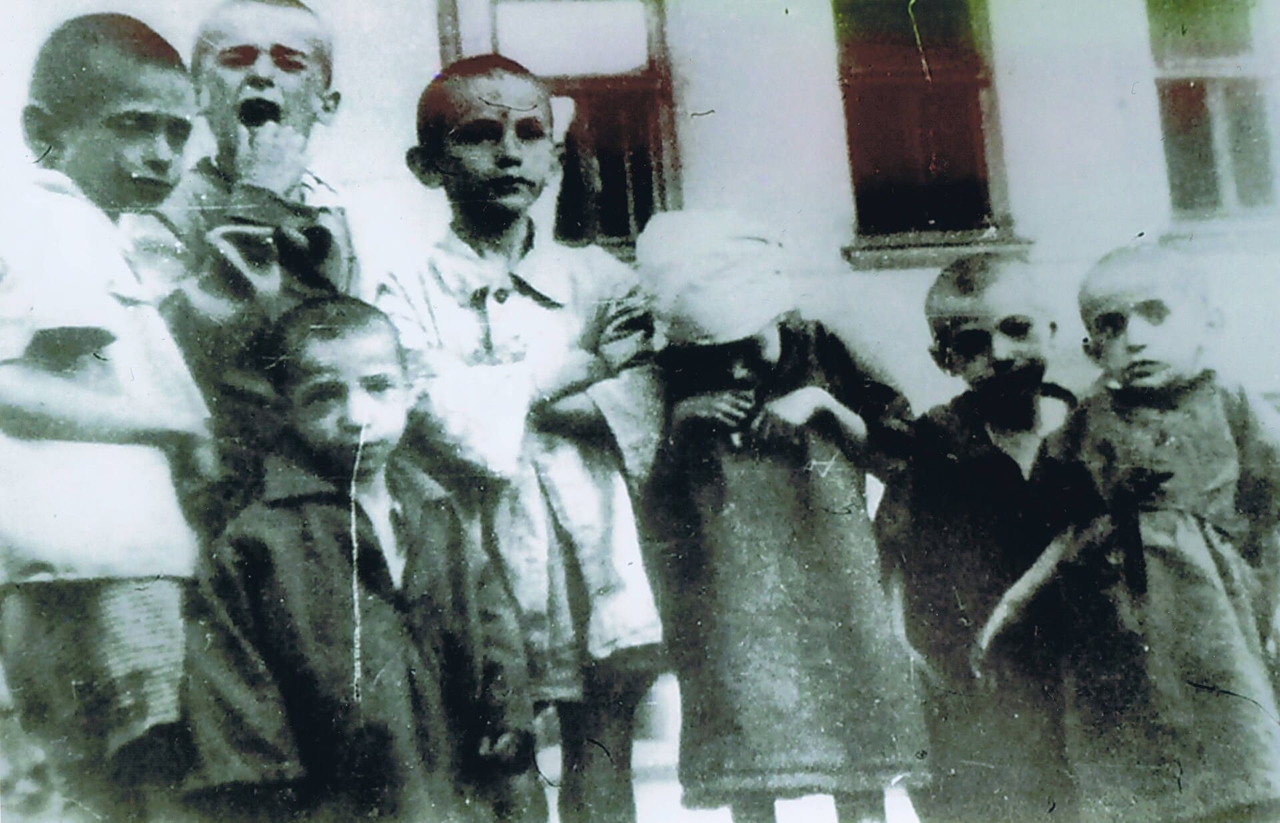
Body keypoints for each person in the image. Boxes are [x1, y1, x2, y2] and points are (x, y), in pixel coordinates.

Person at [363, 54, 665, 823]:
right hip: (477, 549)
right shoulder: (406, 289)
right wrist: (577, 365)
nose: (509, 152)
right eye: (478, 135)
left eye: (530, 133)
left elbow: (642, 397)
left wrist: (542, 397)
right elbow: (433, 409)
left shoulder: (600, 280)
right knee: (497, 750)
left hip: (594, 545)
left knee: (603, 746)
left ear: (554, 156)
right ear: (428, 166)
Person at [182, 296, 530, 822]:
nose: (357, 416)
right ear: (283, 409)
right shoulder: (258, 540)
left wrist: (508, 714)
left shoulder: (435, 510)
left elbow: (493, 622)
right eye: (323, 396)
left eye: (379, 387)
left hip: (458, 790)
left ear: (410, 391)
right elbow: (236, 700)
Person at [637, 210, 926, 823]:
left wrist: (823, 406)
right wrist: (681, 424)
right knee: (750, 745)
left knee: (857, 737)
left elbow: (899, 456)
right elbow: (654, 504)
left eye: (750, 345)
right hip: (735, 598)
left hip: (837, 586)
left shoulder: (826, 350)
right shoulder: (675, 376)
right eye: (719, 352)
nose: (739, 369)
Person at [978, 243, 1280, 823]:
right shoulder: (1088, 421)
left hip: (1211, 623)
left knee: (1238, 761)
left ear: (1209, 322)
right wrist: (1015, 602)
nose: (1134, 340)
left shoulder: (1229, 403)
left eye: (1155, 315)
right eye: (1111, 327)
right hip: (1110, 623)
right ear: (1092, 347)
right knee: (1127, 769)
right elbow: (1064, 526)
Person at [0, 14, 212, 821]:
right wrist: (174, 425)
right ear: (44, 133)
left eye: (176, 131)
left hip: (64, 569)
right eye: (132, 126)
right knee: (163, 782)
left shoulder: (83, 229)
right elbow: (13, 388)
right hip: (107, 569)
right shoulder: (59, 217)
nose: (162, 153)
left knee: (95, 795)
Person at [872, 252, 1077, 822]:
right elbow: (889, 553)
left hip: (1083, 675)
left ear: (1051, 329)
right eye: (973, 343)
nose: (1002, 354)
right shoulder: (937, 441)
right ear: (944, 359)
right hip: (978, 691)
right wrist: (910, 660)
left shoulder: (1091, 432)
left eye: (1017, 329)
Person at [161, 0, 359, 534]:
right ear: (198, 94)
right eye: (237, 59)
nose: (262, 76)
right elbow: (169, 356)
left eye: (291, 64)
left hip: (324, 481)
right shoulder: (167, 208)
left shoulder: (336, 217)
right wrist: (253, 201)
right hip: (213, 488)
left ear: (326, 103)